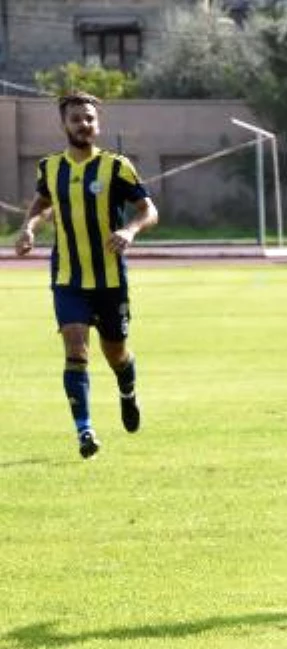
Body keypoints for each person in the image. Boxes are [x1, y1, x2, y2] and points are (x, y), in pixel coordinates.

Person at [12, 91, 159, 458]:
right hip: (68, 279)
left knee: (116, 355)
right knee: (76, 351)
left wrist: (130, 231)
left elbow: (148, 209)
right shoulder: (50, 168)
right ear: (64, 124)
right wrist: (29, 226)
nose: (84, 124)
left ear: (98, 124)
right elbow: (43, 202)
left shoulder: (116, 167)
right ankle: (85, 432)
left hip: (109, 280)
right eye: (76, 118)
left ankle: (127, 390)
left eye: (89, 118)